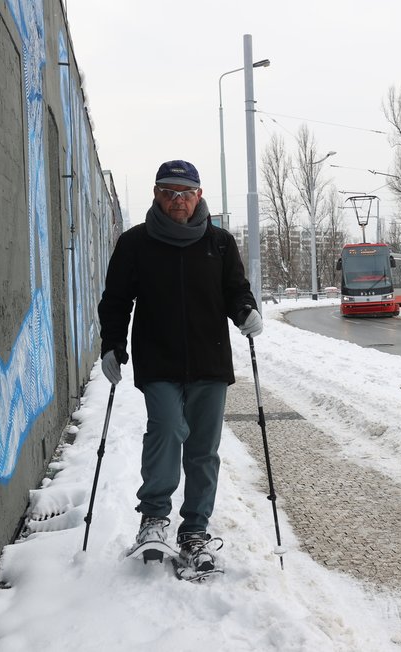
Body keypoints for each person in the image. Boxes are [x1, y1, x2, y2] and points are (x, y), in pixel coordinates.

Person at [97, 159, 262, 574]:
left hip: (210, 361)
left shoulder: (220, 243)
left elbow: (234, 290)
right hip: (158, 360)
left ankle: (194, 531)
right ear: (156, 194)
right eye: (169, 193)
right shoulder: (135, 243)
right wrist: (112, 344)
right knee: (167, 430)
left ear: (199, 196)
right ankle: (153, 519)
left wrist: (245, 310)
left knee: (204, 451)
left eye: (185, 193)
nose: (178, 201)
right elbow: (116, 299)